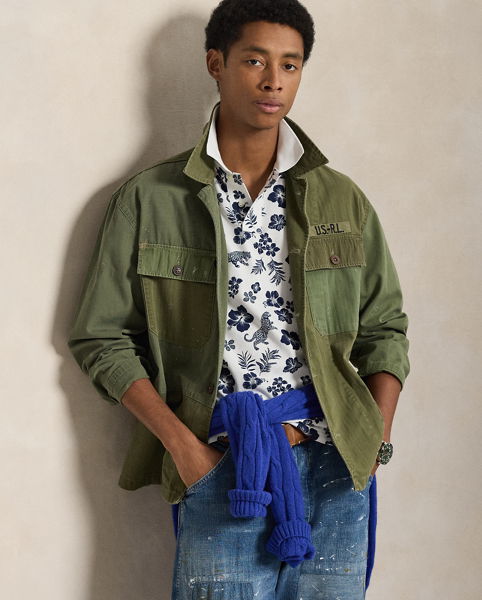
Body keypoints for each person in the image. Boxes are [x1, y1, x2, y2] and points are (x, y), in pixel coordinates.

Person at [68, 0, 409, 598]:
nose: (274, 80)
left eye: (290, 64)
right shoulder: (151, 198)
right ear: (216, 64)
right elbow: (101, 337)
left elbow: (385, 329)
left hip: (336, 466)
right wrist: (185, 450)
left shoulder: (340, 199)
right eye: (255, 60)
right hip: (223, 462)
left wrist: (373, 442)